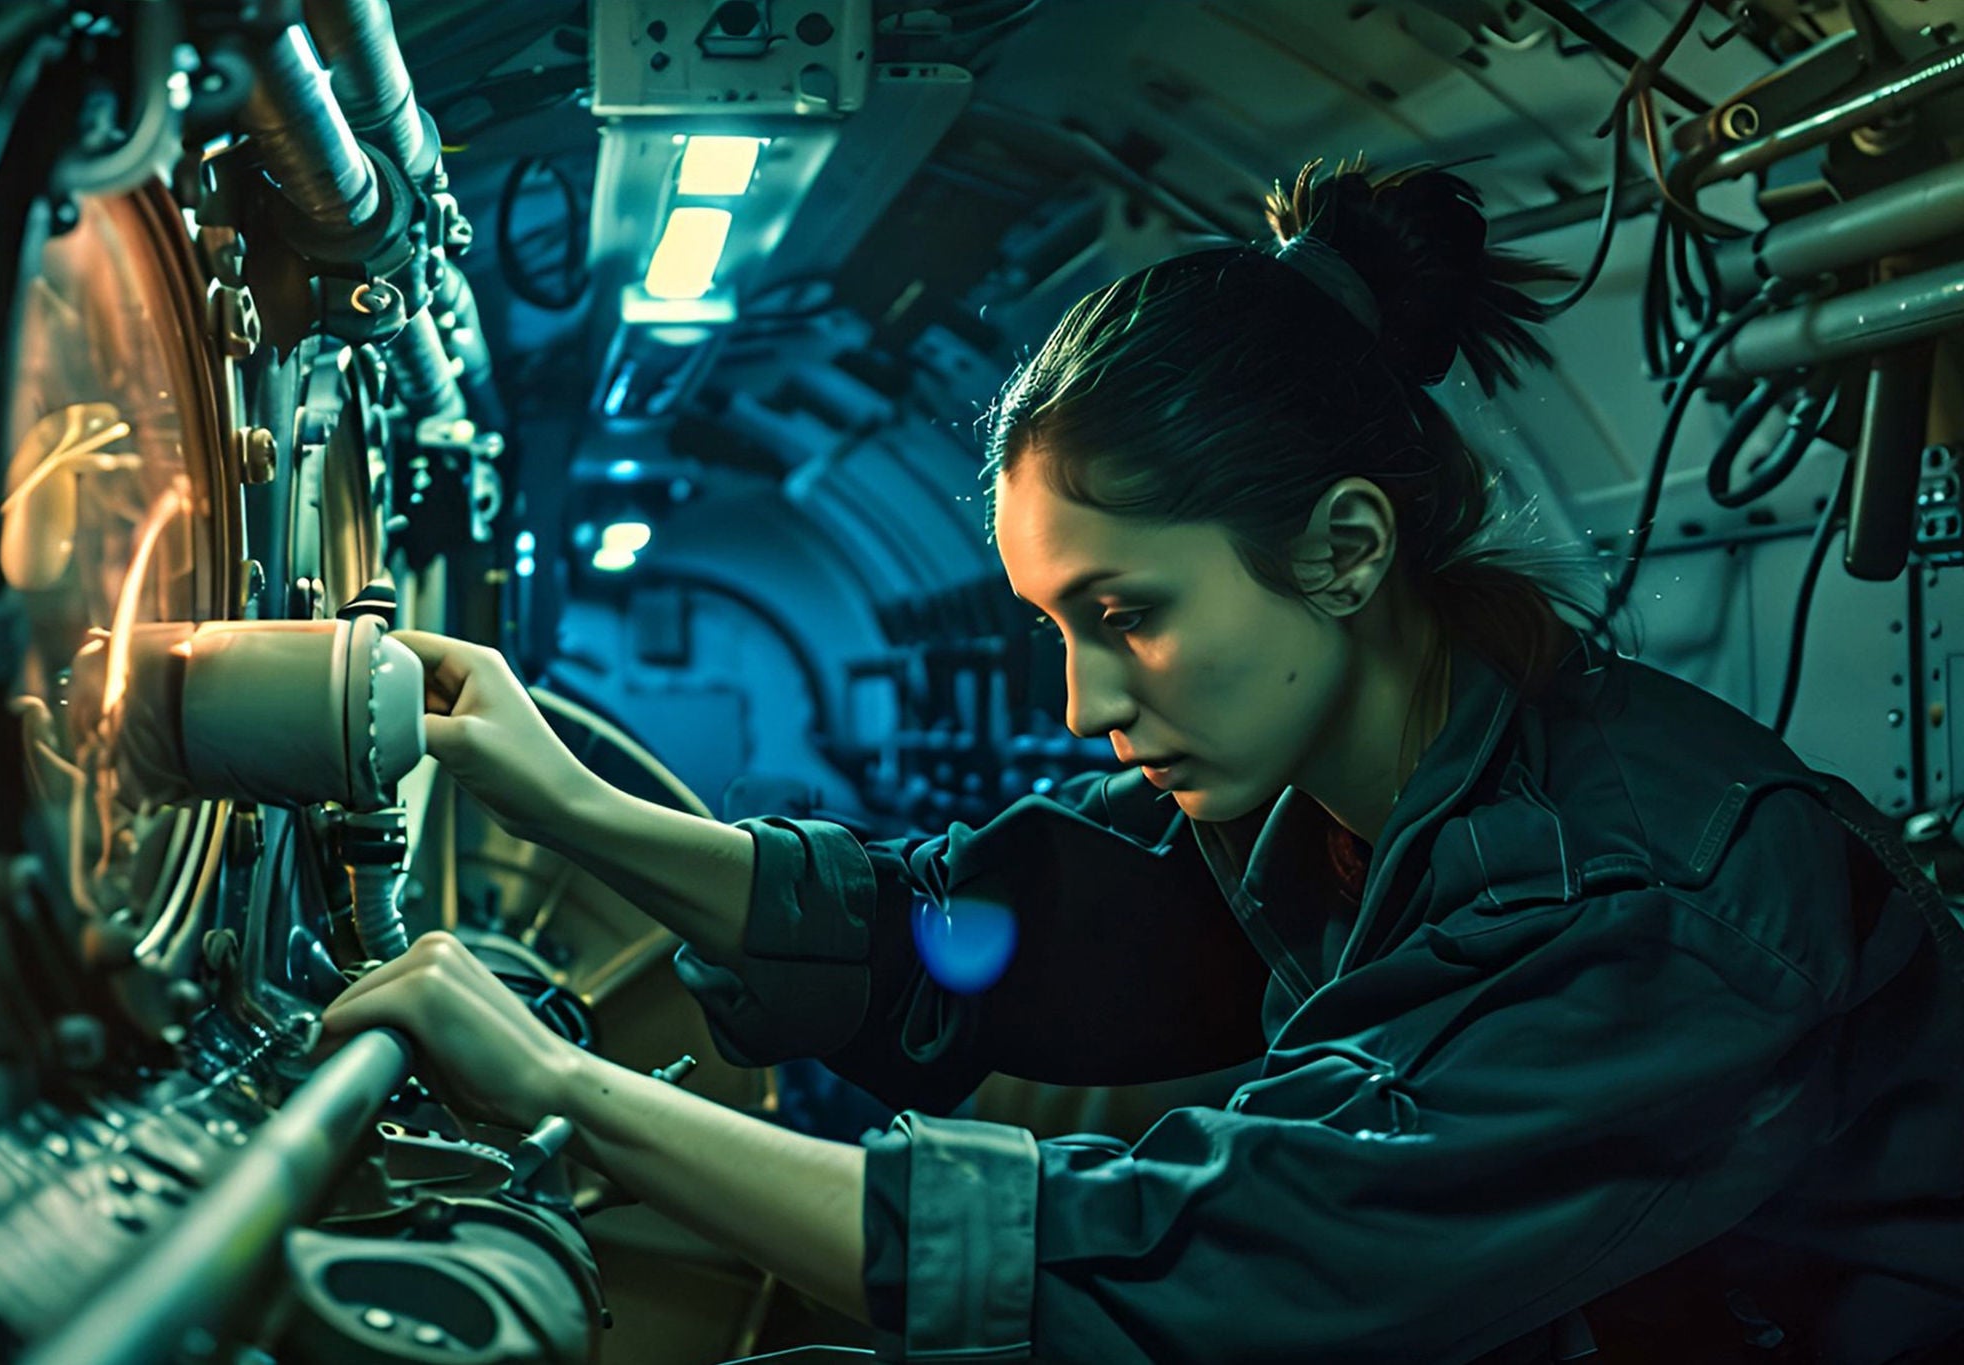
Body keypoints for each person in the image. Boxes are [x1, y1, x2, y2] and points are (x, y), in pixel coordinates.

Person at [321, 161, 1964, 1363]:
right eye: (1051, 619)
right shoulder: (1328, 801)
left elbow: (1216, 1265)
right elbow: (966, 930)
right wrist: (567, 799)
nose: (1079, 699)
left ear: (1342, 548)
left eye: (1127, 614)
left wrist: (562, 1088)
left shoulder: (1650, 904)